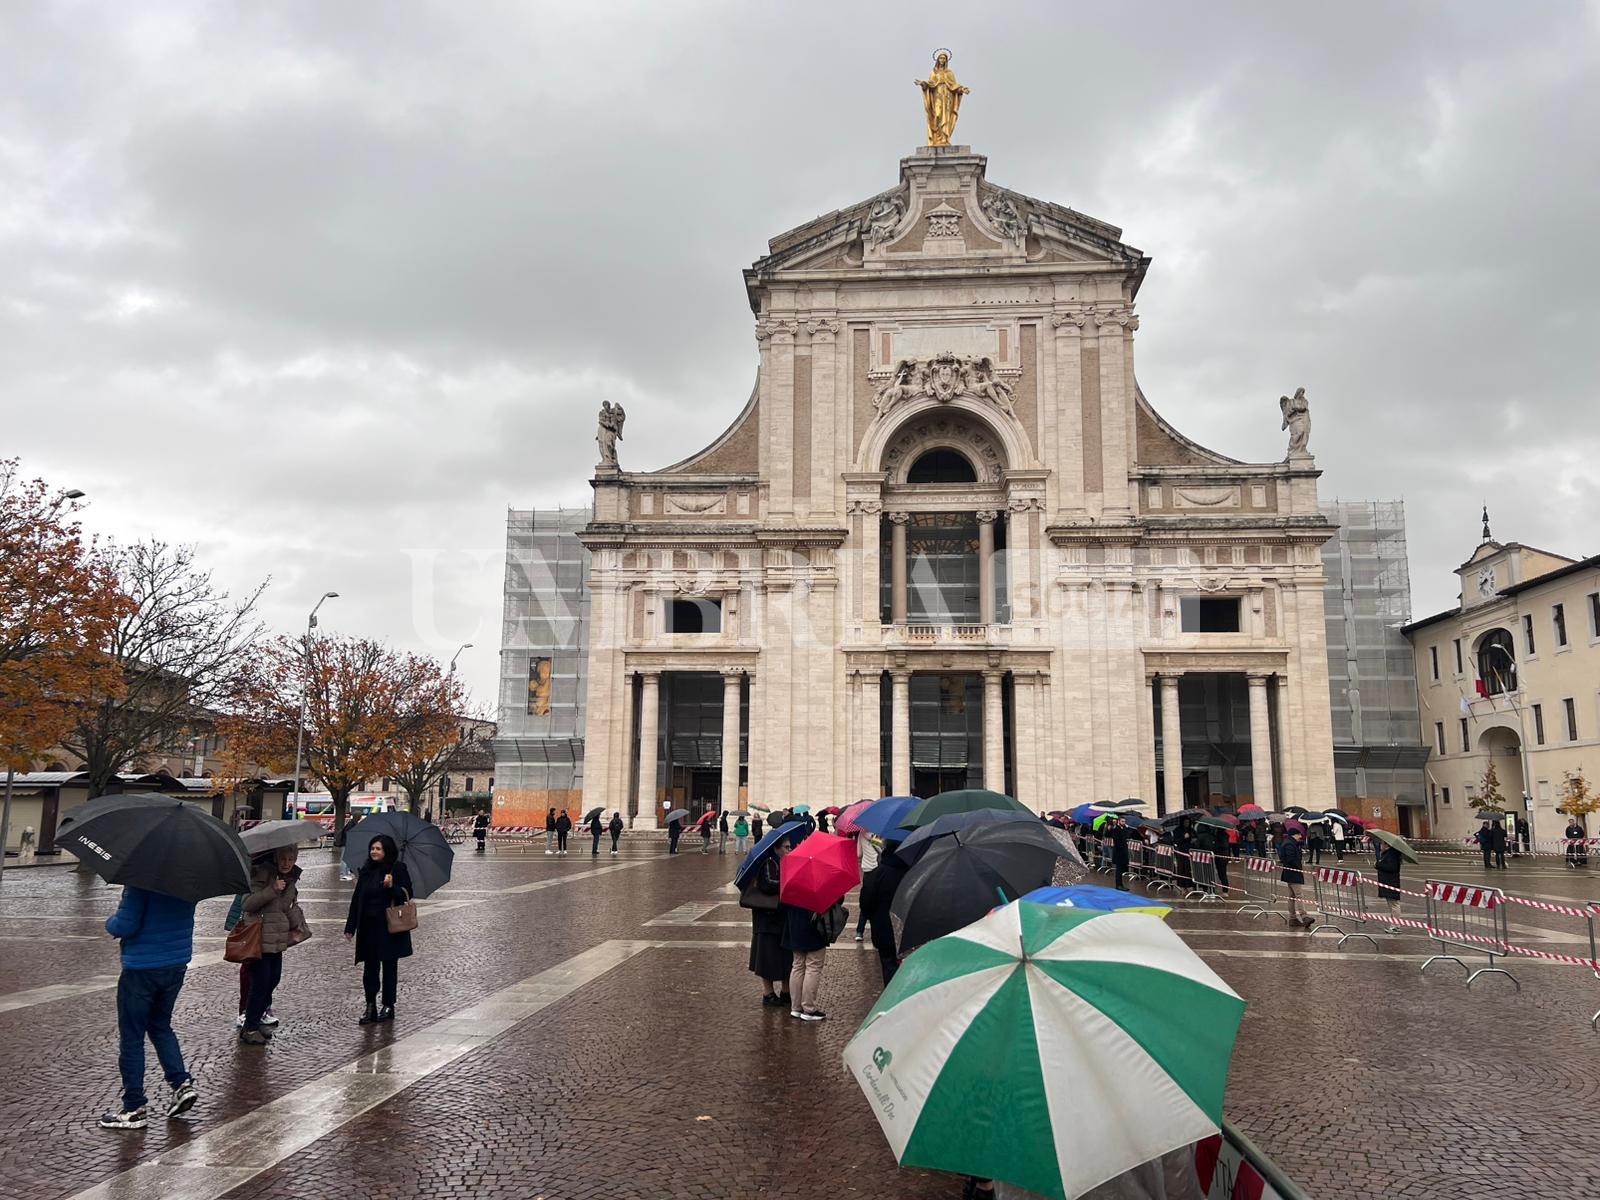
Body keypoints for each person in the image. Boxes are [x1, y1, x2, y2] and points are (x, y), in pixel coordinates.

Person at [98, 885, 200, 1128]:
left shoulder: (140, 883)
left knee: (132, 1037)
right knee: (160, 1026)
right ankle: (181, 1084)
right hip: (175, 965)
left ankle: (134, 1108)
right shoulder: (189, 881)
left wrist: (110, 922)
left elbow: (125, 925)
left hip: (141, 968)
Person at [239, 845, 306, 1045]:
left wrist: (294, 913)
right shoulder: (261, 874)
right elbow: (247, 904)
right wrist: (272, 889)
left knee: (272, 980)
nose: (287, 863)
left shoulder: (291, 879)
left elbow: (285, 907)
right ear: (276, 858)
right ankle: (250, 1027)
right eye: (283, 859)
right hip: (259, 939)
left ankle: (254, 1021)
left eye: (291, 859)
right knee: (260, 983)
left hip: (277, 940)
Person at [344, 834, 413, 1025]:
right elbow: (357, 899)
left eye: (378, 849)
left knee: (389, 967)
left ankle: (388, 1005)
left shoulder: (397, 869)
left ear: (387, 851)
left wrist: (392, 888)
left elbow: (407, 893)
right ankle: (370, 1006)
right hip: (368, 926)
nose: (374, 852)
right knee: (370, 968)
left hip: (389, 927)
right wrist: (351, 926)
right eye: (372, 848)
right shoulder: (366, 870)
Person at [748, 838, 793, 1008]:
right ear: (776, 848)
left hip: (780, 918)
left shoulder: (783, 862)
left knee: (785, 956)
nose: (789, 849)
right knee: (767, 957)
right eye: (786, 847)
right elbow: (767, 885)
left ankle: (786, 991)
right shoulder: (767, 863)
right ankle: (768, 993)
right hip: (766, 919)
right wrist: (787, 883)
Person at [783, 876, 832, 1022]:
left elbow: (782, 904)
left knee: (797, 965)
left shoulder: (791, 876)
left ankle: (796, 1008)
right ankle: (809, 1009)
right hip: (813, 927)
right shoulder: (819, 878)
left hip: (794, 925)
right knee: (813, 966)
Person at [859, 842, 908, 987]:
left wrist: (873, 916)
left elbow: (865, 905)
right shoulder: (910, 873)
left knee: (888, 965)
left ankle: (891, 999)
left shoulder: (876, 875)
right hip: (907, 929)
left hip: (883, 929)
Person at [1278, 826, 1313, 927]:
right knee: (1299, 895)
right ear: (1295, 835)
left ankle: (1293, 918)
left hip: (1289, 873)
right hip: (1293, 873)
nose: (1300, 837)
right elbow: (1290, 859)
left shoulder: (1289, 843)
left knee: (1292, 897)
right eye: (1299, 835)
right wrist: (1298, 867)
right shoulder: (1289, 844)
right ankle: (1304, 916)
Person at [1375, 840, 1405, 932]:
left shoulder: (1392, 854)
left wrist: (1378, 865)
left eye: (1382, 843)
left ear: (1387, 845)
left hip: (1391, 882)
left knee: (1394, 904)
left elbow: (1392, 868)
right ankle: (1394, 924)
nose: (1380, 846)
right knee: (1392, 904)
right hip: (1388, 882)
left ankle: (1396, 925)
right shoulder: (1388, 853)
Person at [1109, 818, 1130, 891]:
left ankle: (1121, 884)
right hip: (1119, 852)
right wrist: (1122, 847)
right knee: (1119, 870)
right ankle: (1118, 885)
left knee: (1121, 869)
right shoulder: (1116, 829)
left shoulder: (1124, 828)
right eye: (1122, 821)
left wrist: (1127, 829)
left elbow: (1127, 836)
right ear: (1119, 821)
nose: (1124, 823)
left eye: (1124, 821)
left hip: (1123, 852)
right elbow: (1117, 841)